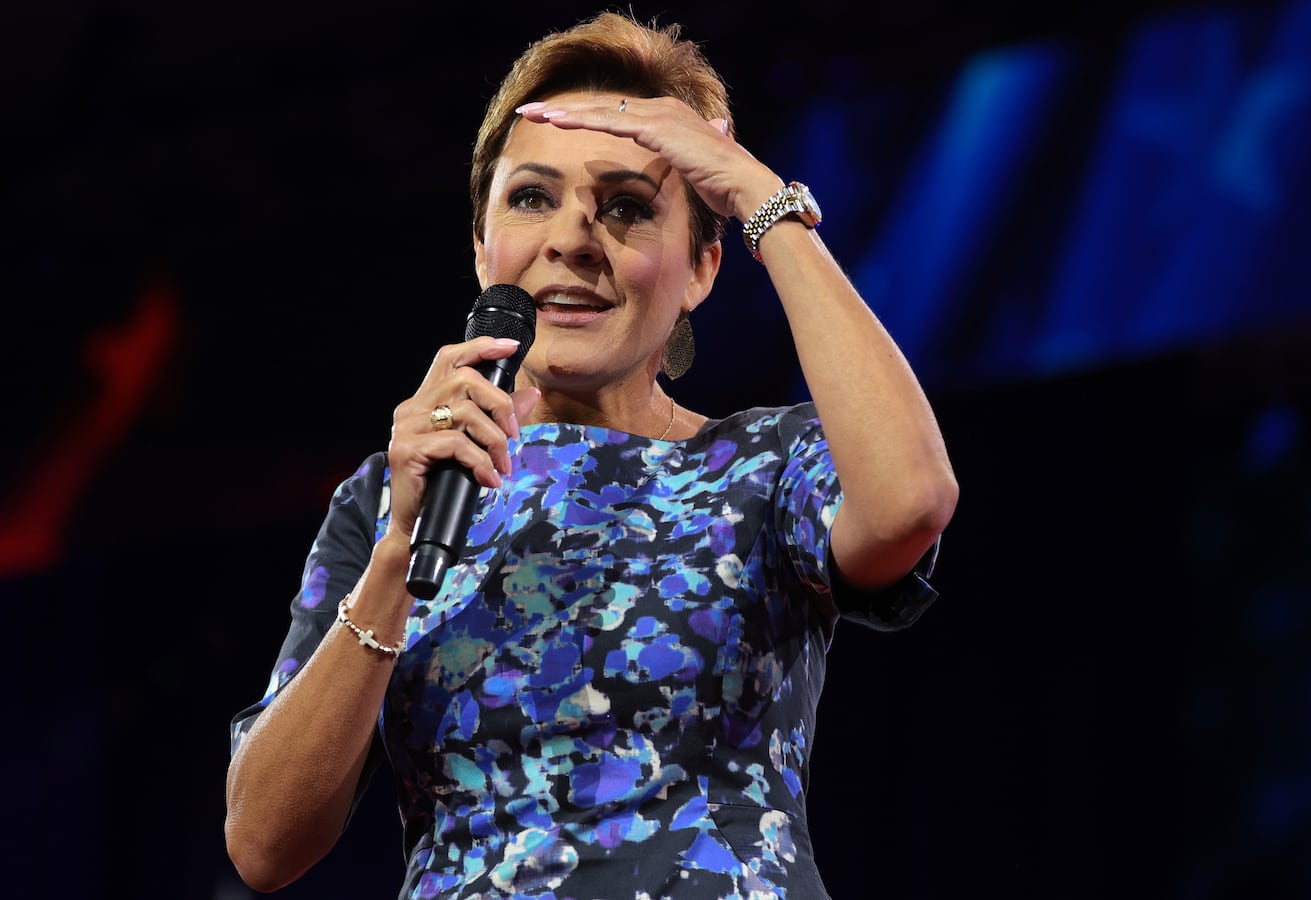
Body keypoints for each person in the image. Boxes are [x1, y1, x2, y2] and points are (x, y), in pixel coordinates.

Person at [224, 9, 958, 899]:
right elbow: (263, 844)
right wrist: (398, 556)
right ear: (481, 247)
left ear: (701, 269)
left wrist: (761, 198)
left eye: (627, 208)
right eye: (533, 198)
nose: (571, 240)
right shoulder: (389, 499)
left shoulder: (764, 466)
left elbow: (912, 500)